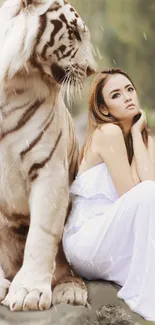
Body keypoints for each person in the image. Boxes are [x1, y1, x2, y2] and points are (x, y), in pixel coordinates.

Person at [62, 68, 155, 321]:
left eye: (129, 89)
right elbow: (134, 193)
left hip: (116, 238)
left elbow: (148, 188)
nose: (127, 97)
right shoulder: (107, 133)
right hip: (86, 239)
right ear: (104, 109)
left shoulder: (145, 139)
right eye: (116, 94)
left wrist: (137, 135)